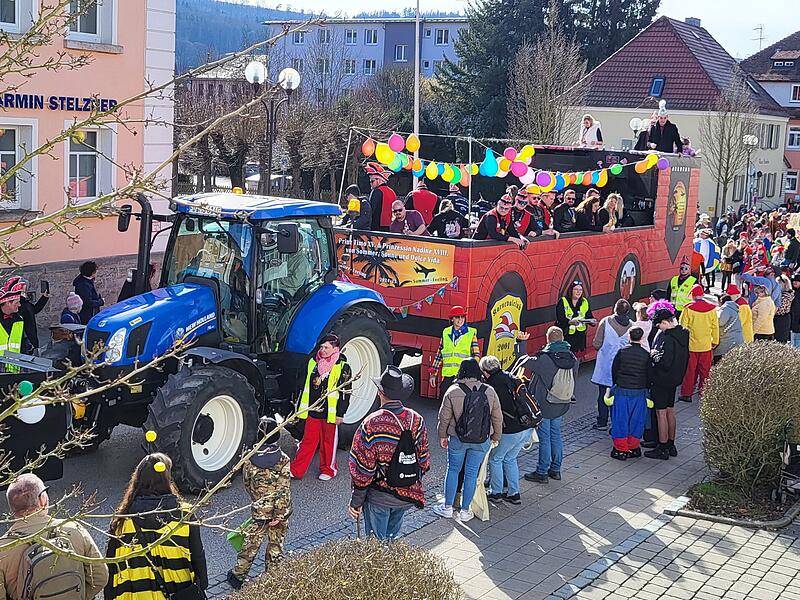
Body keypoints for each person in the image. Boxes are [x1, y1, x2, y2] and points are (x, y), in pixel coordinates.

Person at [106, 454, 207, 600]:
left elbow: (110, 569)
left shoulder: (121, 523)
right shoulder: (184, 516)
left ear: (137, 480)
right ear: (167, 479)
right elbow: (198, 558)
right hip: (179, 592)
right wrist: (200, 587)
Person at [348, 366, 430, 539]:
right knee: (391, 543)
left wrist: (356, 501)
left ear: (380, 392)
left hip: (379, 497)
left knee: (376, 548)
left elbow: (363, 469)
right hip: (405, 495)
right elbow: (423, 461)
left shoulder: (372, 423)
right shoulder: (417, 420)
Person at [0, 474, 108, 600]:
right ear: (42, 499)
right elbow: (100, 577)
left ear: (12, 508)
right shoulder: (74, 529)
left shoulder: (4, 548)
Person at [433, 359, 502, 522]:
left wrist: (442, 435)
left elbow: (444, 417)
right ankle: (465, 511)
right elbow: (497, 417)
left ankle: (448, 507)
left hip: (457, 438)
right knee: (471, 474)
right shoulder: (489, 391)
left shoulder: (453, 390)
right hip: (481, 440)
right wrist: (496, 437)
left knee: (453, 470)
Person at [227, 418, 292, 589]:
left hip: (259, 509)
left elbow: (247, 483)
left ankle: (237, 575)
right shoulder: (283, 459)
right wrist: (278, 514)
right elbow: (283, 489)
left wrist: (257, 500)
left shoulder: (249, 458)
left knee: (251, 544)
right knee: (276, 544)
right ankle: (273, 576)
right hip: (279, 511)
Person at [291, 334, 352, 480]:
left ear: (335, 349)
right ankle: (297, 470)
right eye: (321, 347)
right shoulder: (312, 362)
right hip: (313, 410)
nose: (323, 350)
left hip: (329, 412)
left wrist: (340, 414)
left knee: (328, 442)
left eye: (326, 347)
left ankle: (329, 469)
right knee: (307, 441)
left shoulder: (343, 367)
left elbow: (345, 393)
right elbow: (303, 385)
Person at [522, 326, 578, 483]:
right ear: (562, 339)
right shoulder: (572, 358)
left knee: (544, 437)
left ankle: (541, 471)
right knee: (556, 435)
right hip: (562, 402)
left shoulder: (545, 359)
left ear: (548, 339)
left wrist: (521, 342)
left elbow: (523, 360)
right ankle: (556, 469)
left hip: (545, 404)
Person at [480, 353, 532, 504]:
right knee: (510, 458)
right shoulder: (510, 377)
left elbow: (493, 412)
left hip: (511, 429)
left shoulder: (493, 386)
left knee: (496, 459)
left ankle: (496, 493)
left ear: (485, 372)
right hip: (526, 426)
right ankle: (514, 493)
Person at [645, 309, 690, 460]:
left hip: (662, 379)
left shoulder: (668, 339)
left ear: (665, 323)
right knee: (671, 410)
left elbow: (664, 362)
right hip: (675, 379)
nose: (659, 329)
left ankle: (662, 447)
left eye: (659, 326)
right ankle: (671, 444)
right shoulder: (683, 334)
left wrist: (653, 355)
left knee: (661, 412)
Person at [607, 327, 650, 460]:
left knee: (620, 420)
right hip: (639, 392)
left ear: (629, 337)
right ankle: (633, 447)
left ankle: (621, 449)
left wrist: (616, 385)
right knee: (637, 421)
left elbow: (614, 370)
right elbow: (649, 375)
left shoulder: (622, 352)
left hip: (622, 390)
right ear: (642, 338)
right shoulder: (645, 354)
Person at [591, 299, 632, 430]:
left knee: (603, 393)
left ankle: (602, 421)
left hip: (605, 364)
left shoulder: (606, 322)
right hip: (622, 367)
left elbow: (597, 344)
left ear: (615, 309)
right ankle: (616, 424)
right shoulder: (632, 325)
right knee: (618, 396)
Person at [678, 285, 719, 402]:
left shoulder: (688, 308)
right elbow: (715, 327)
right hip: (706, 345)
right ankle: (704, 393)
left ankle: (687, 393)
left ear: (693, 295)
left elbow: (683, 327)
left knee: (690, 370)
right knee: (705, 370)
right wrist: (715, 341)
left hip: (691, 346)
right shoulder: (712, 309)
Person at [428, 306, 480, 399]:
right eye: (457, 317)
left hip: (463, 377)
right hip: (448, 376)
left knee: (460, 406)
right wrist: (433, 374)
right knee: (444, 404)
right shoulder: (446, 332)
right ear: (452, 319)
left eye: (462, 317)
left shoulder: (471, 333)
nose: (460, 320)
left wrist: (472, 374)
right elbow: (440, 354)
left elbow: (476, 355)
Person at [555, 280, 595, 356]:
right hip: (567, 335)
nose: (578, 292)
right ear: (571, 291)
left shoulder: (584, 301)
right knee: (566, 357)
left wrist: (592, 321)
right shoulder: (563, 301)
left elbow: (588, 315)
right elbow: (560, 318)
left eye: (580, 290)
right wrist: (570, 322)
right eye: (576, 289)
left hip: (579, 336)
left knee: (577, 359)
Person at [7, 277, 48, 350]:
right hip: (26, 340)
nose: (26, 290)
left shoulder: (24, 302)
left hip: (29, 338)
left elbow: (34, 310)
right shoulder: (20, 303)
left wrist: (44, 297)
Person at [0, 282, 31, 366]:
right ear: (7, 303)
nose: (20, 305)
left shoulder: (19, 319)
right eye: (16, 302)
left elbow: (23, 343)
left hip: (15, 369)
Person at [365, 162, 397, 231]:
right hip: (390, 227)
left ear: (379, 180)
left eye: (372, 181)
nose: (370, 184)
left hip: (376, 227)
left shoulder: (376, 191)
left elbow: (371, 211)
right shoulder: (392, 192)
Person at [714, 295, 743, 364]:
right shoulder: (735, 309)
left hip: (728, 340)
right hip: (738, 339)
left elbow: (720, 322)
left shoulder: (725, 308)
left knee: (719, 361)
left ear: (721, 302)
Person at [773, 274, 794, 344]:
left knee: (780, 340)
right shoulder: (788, 294)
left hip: (781, 319)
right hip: (783, 319)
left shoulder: (785, 296)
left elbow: (780, 310)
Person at [790, 274, 800, 348]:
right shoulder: (794, 291)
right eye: (794, 281)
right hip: (794, 320)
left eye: (797, 281)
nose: (795, 282)